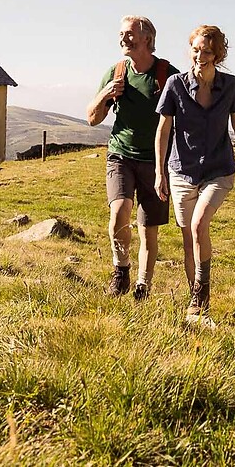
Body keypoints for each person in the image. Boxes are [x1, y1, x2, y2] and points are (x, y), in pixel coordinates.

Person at [155, 24, 235, 325]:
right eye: (196, 49)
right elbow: (163, 129)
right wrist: (160, 173)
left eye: (207, 51)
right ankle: (197, 302)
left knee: (198, 226)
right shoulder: (175, 85)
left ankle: (200, 296)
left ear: (218, 54)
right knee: (189, 238)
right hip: (181, 170)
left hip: (218, 169)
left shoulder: (231, 85)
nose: (200, 55)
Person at [87, 15, 179, 300]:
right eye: (121, 34)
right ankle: (121, 269)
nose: (122, 39)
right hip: (121, 155)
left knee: (148, 230)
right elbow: (92, 118)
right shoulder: (116, 72)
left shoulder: (168, 75)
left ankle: (143, 287)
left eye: (128, 34)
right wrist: (105, 94)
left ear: (147, 40)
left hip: (156, 162)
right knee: (119, 212)